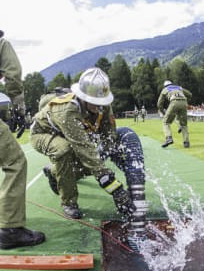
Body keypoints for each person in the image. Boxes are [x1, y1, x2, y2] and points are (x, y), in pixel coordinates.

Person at [30, 67, 147, 250]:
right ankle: (68, 202)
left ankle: (54, 172)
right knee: (65, 150)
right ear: (83, 97)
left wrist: (116, 159)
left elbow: (108, 137)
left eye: (102, 102)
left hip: (75, 136)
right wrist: (115, 189)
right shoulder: (67, 110)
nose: (99, 106)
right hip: (44, 134)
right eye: (94, 102)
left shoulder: (103, 105)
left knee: (93, 158)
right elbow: (83, 148)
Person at [0, 30, 45, 249]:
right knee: (15, 162)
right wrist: (18, 107)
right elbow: (13, 74)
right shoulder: (1, 43)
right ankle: (10, 229)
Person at [157, 80, 192, 148]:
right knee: (184, 124)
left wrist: (163, 112)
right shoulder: (179, 87)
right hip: (184, 103)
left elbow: (159, 104)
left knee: (165, 122)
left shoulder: (165, 89)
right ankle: (186, 142)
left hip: (174, 103)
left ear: (165, 86)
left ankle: (169, 138)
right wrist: (186, 101)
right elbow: (189, 94)